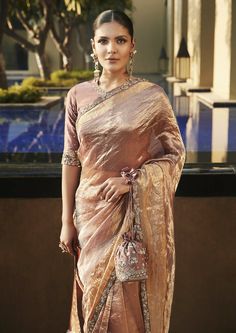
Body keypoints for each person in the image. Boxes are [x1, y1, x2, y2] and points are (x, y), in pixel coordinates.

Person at [59, 9, 186, 333]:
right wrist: (66, 221)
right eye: (104, 41)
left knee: (126, 303)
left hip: (130, 220)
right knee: (92, 300)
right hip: (90, 217)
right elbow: (71, 158)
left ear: (132, 46)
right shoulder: (77, 95)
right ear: (93, 46)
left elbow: (174, 154)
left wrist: (135, 181)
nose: (111, 49)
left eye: (120, 40)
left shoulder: (151, 98)